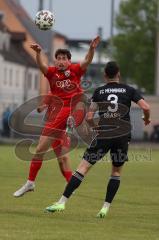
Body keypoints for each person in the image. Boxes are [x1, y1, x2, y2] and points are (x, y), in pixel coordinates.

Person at [45, 61, 151, 218]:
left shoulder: (99, 91)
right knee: (115, 172)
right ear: (118, 74)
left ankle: (61, 202)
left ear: (105, 75)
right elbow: (146, 107)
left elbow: (89, 117)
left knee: (82, 168)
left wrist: (96, 128)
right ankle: (105, 208)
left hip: (104, 134)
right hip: (122, 136)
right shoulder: (129, 90)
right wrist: (146, 119)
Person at [13, 36, 100, 197]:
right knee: (61, 159)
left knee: (41, 150)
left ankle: (30, 182)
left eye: (64, 58)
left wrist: (92, 48)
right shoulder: (52, 74)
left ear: (69, 61)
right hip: (57, 118)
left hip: (67, 112)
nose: (61, 61)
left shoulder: (74, 70)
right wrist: (38, 53)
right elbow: (42, 66)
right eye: (58, 58)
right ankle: (66, 186)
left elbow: (87, 60)